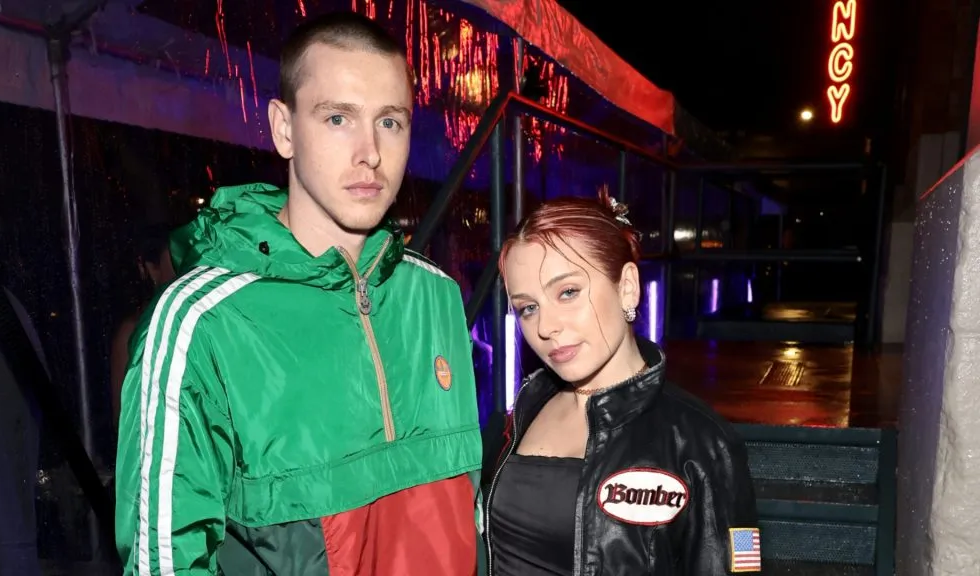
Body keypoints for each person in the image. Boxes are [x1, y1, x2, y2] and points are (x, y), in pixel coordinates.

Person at [114, 11, 482, 575]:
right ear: (284, 129)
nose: (371, 154)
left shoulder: (437, 297)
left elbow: (465, 518)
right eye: (338, 118)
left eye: (391, 122)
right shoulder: (201, 321)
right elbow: (164, 561)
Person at [482, 190, 761, 574]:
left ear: (627, 286)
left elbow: (737, 561)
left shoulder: (703, 442)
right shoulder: (520, 415)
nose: (545, 327)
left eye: (568, 292)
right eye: (528, 308)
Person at [109, 223, 177, 425]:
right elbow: (122, 418)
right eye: (175, 262)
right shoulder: (131, 331)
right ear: (149, 268)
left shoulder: (187, 318)